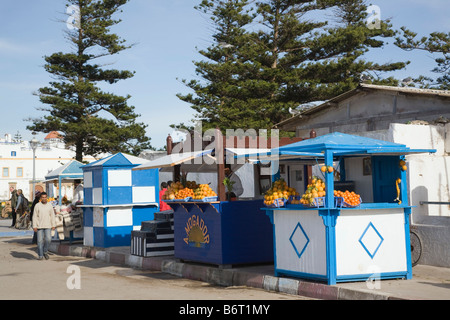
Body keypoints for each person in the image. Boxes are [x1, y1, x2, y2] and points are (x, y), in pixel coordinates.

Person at [32, 192, 56, 260]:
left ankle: (45, 251)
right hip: (39, 226)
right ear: (41, 198)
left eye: (45, 197)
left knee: (48, 239)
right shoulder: (37, 205)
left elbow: (52, 216)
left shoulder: (49, 205)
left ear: (47, 198)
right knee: (39, 241)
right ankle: (40, 255)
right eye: (43, 197)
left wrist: (53, 224)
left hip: (48, 225)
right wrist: (34, 226)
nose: (44, 199)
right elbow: (35, 216)